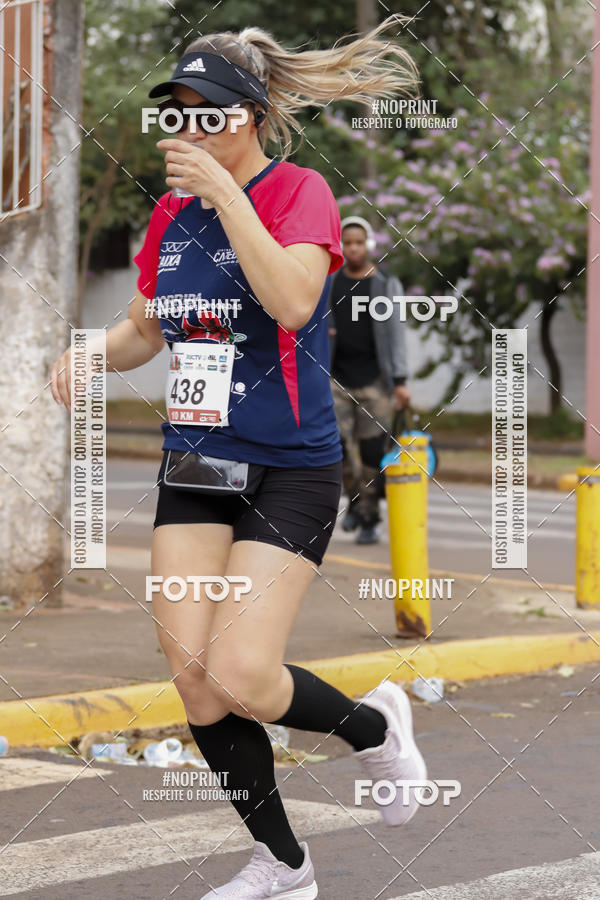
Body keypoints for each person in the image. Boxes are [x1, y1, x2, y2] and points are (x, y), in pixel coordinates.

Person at [51, 20, 426, 900]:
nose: (190, 130)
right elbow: (149, 324)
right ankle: (284, 866)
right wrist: (92, 352)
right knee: (194, 679)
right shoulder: (171, 214)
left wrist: (227, 195)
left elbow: (294, 302)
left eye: (208, 114)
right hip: (195, 464)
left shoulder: (300, 193)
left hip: (289, 467)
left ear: (251, 116)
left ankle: (375, 729)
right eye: (178, 115)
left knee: (243, 675)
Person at [329, 216, 410, 544]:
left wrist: (400, 380)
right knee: (340, 452)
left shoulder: (384, 283)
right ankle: (356, 503)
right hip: (336, 381)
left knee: (372, 453)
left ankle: (370, 519)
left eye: (359, 243)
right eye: (347, 243)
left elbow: (396, 334)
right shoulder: (330, 282)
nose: (353, 248)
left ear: (369, 245)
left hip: (376, 382)